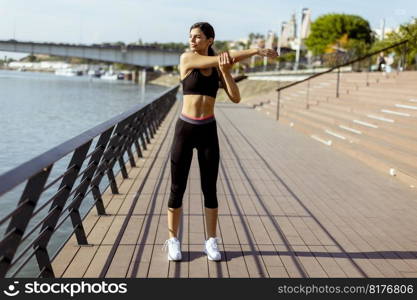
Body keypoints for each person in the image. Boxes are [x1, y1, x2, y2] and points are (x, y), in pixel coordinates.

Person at [162, 22, 277, 262]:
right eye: (190, 37)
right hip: (185, 129)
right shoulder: (187, 60)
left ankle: (211, 241)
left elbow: (235, 97)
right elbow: (224, 57)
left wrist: (225, 72)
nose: (192, 41)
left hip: (207, 131)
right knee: (177, 188)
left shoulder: (217, 67)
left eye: (197, 37)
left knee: (210, 189)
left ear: (210, 40)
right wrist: (256, 51)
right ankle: (173, 240)